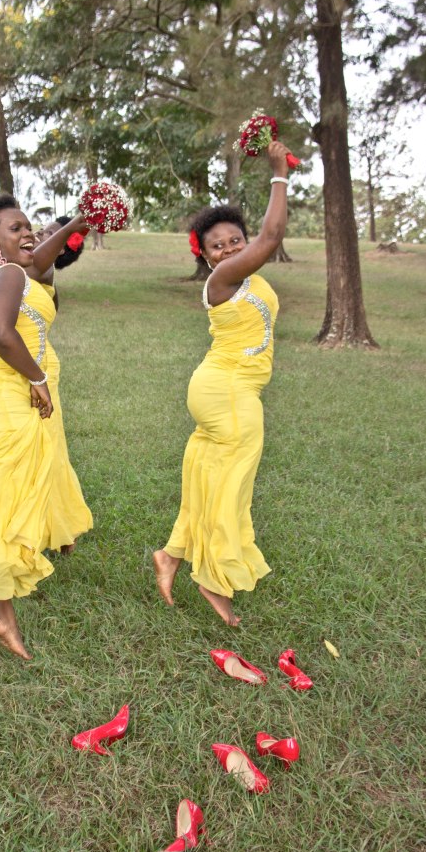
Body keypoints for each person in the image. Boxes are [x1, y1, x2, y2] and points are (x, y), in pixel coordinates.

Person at [0, 197, 89, 662]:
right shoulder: (7, 275)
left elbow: (42, 258)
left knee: (0, 506)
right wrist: (37, 378)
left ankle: (0, 612)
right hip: (3, 397)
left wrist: (81, 219)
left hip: (2, 396)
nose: (28, 233)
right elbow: (1, 333)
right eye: (15, 228)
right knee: (1, 507)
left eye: (29, 227)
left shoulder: (15, 273)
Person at [153, 141, 291, 627]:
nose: (229, 248)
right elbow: (272, 235)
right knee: (232, 487)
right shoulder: (224, 279)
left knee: (210, 479)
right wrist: (279, 173)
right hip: (229, 391)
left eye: (236, 240)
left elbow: (264, 242)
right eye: (218, 245)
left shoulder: (245, 277)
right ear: (207, 256)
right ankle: (214, 578)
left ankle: (171, 554)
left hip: (226, 388)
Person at [35, 215, 93, 552]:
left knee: (48, 445)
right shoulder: (33, 267)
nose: (41, 233)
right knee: (39, 445)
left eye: (52, 235)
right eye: (42, 228)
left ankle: (60, 528)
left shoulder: (41, 269)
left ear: (60, 249)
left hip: (39, 367)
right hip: (31, 362)